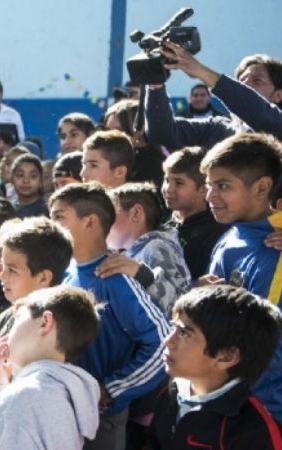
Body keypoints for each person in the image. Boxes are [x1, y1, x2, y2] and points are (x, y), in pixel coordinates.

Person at [48, 183, 170, 450]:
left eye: (58, 217)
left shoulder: (114, 277)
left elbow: (163, 341)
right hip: (67, 411)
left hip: (102, 417)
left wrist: (113, 388)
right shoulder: (69, 274)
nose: (51, 225)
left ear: (90, 221)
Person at [0, 217, 75, 450]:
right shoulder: (5, 317)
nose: (2, 276)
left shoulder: (57, 337)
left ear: (44, 277)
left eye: (12, 270)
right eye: (3, 266)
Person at [200, 132, 282, 422]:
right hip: (227, 401)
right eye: (209, 185)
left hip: (265, 412)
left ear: (262, 187)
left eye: (223, 186)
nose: (210, 196)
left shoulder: (278, 248)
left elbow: (271, 346)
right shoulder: (233, 233)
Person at [148, 285, 282, 449]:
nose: (167, 341)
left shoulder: (255, 434)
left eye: (184, 333)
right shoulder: (170, 392)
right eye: (174, 327)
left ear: (226, 357)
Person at [0, 286, 102, 450]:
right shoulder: (65, 389)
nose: (7, 335)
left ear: (45, 323)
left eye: (16, 320)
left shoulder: (24, 397)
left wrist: (8, 394)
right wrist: (1, 387)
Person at [145, 44, 282, 150]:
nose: (246, 85)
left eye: (257, 81)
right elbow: (162, 133)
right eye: (241, 80)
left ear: (279, 95)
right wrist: (155, 85)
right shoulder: (218, 128)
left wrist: (200, 71)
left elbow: (259, 113)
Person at [98, 182, 192, 314]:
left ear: (136, 213)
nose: (103, 223)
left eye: (110, 215)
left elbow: (179, 307)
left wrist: (142, 274)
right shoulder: (132, 252)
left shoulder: (155, 248)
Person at [161, 147, 230, 280]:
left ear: (203, 190)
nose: (168, 189)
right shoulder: (166, 219)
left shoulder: (214, 232)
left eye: (179, 183)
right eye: (167, 180)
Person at [103, 99, 167, 188]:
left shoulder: (155, 167)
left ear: (140, 130)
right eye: (108, 131)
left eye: (118, 131)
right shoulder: (109, 158)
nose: (110, 136)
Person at [10, 153, 48, 218]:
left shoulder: (46, 211)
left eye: (33, 176)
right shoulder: (8, 209)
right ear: (12, 179)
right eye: (20, 175)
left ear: (41, 181)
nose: (26, 181)